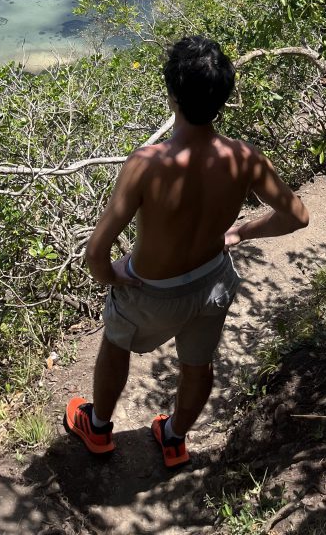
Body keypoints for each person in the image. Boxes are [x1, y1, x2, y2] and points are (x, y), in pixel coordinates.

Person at [64, 35, 309, 467]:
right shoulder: (244, 157)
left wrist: (115, 277)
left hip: (150, 290)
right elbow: (296, 216)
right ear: (223, 99)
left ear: (171, 93)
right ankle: (174, 438)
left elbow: (96, 253)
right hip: (212, 281)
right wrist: (240, 233)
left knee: (115, 346)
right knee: (198, 364)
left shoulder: (147, 163)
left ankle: (98, 429)